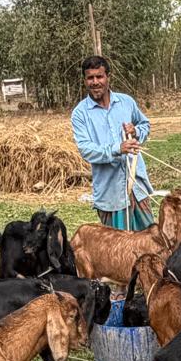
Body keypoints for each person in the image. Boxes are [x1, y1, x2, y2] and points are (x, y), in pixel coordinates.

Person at [70, 55, 155, 230]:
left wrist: (136, 131)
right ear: (85, 80)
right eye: (90, 78)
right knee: (116, 250)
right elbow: (86, 150)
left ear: (108, 77)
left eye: (99, 76)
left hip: (137, 186)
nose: (95, 82)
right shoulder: (80, 114)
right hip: (110, 193)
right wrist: (117, 149)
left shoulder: (126, 102)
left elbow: (145, 124)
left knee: (150, 242)